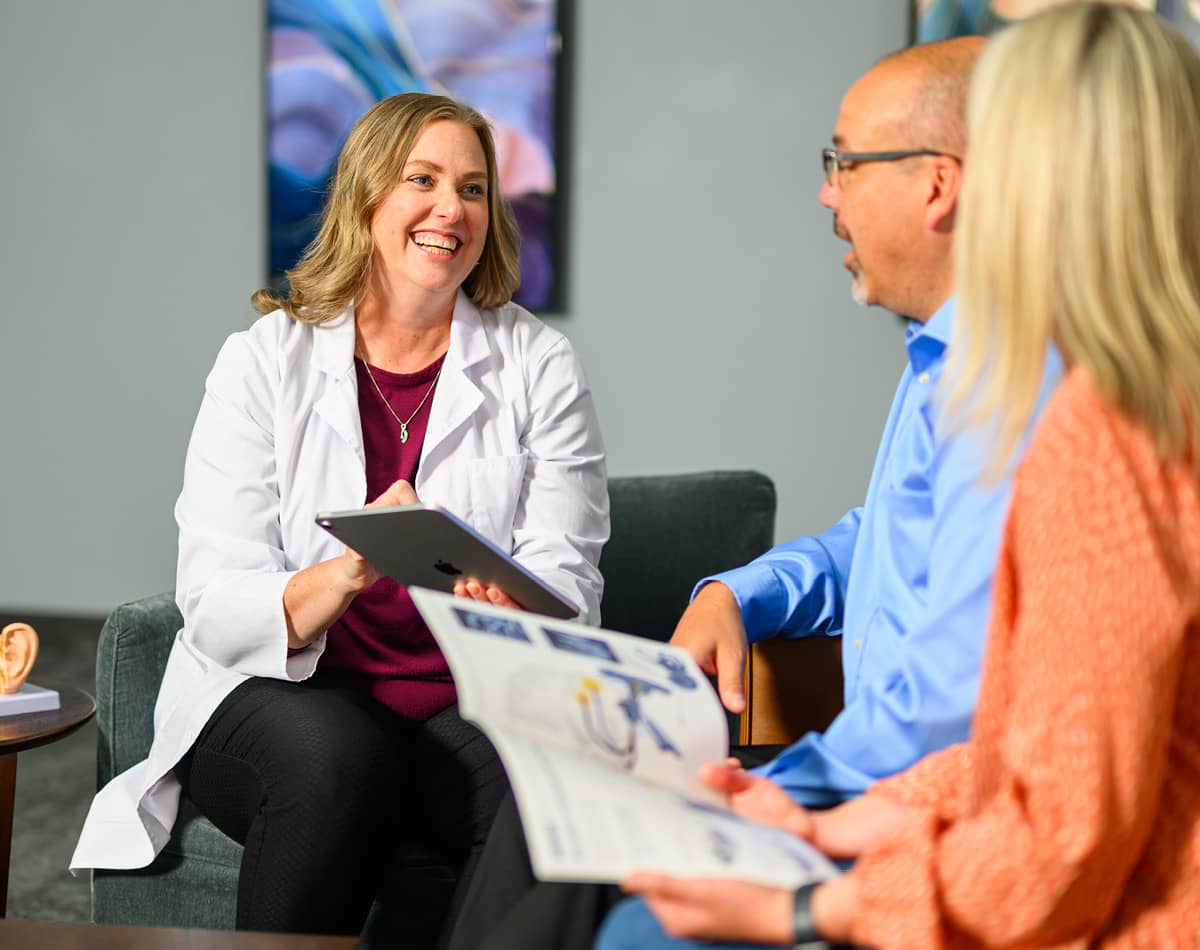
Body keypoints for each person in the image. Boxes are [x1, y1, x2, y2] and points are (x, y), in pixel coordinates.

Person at [600, 3, 1200, 946]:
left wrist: (804, 904)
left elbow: (1061, 829)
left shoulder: (1101, 421)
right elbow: (1028, 742)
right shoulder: (1096, 389)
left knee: (635, 925)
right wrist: (829, 824)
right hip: (933, 815)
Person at [446, 33, 1058, 950]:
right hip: (859, 780)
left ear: (937, 184)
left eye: (843, 163)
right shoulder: (939, 359)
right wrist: (741, 589)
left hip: (906, 805)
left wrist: (789, 790)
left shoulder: (1019, 385)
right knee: (550, 811)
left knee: (625, 912)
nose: (827, 192)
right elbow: (882, 540)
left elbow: (949, 708)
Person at [69, 92, 609, 941]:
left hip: (456, 693)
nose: (450, 209)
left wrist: (517, 606)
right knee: (339, 761)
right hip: (280, 692)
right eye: (421, 180)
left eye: (473, 189)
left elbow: (570, 578)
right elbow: (214, 600)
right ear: (366, 197)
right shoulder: (262, 361)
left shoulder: (538, 362)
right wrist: (353, 564)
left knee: (538, 779)